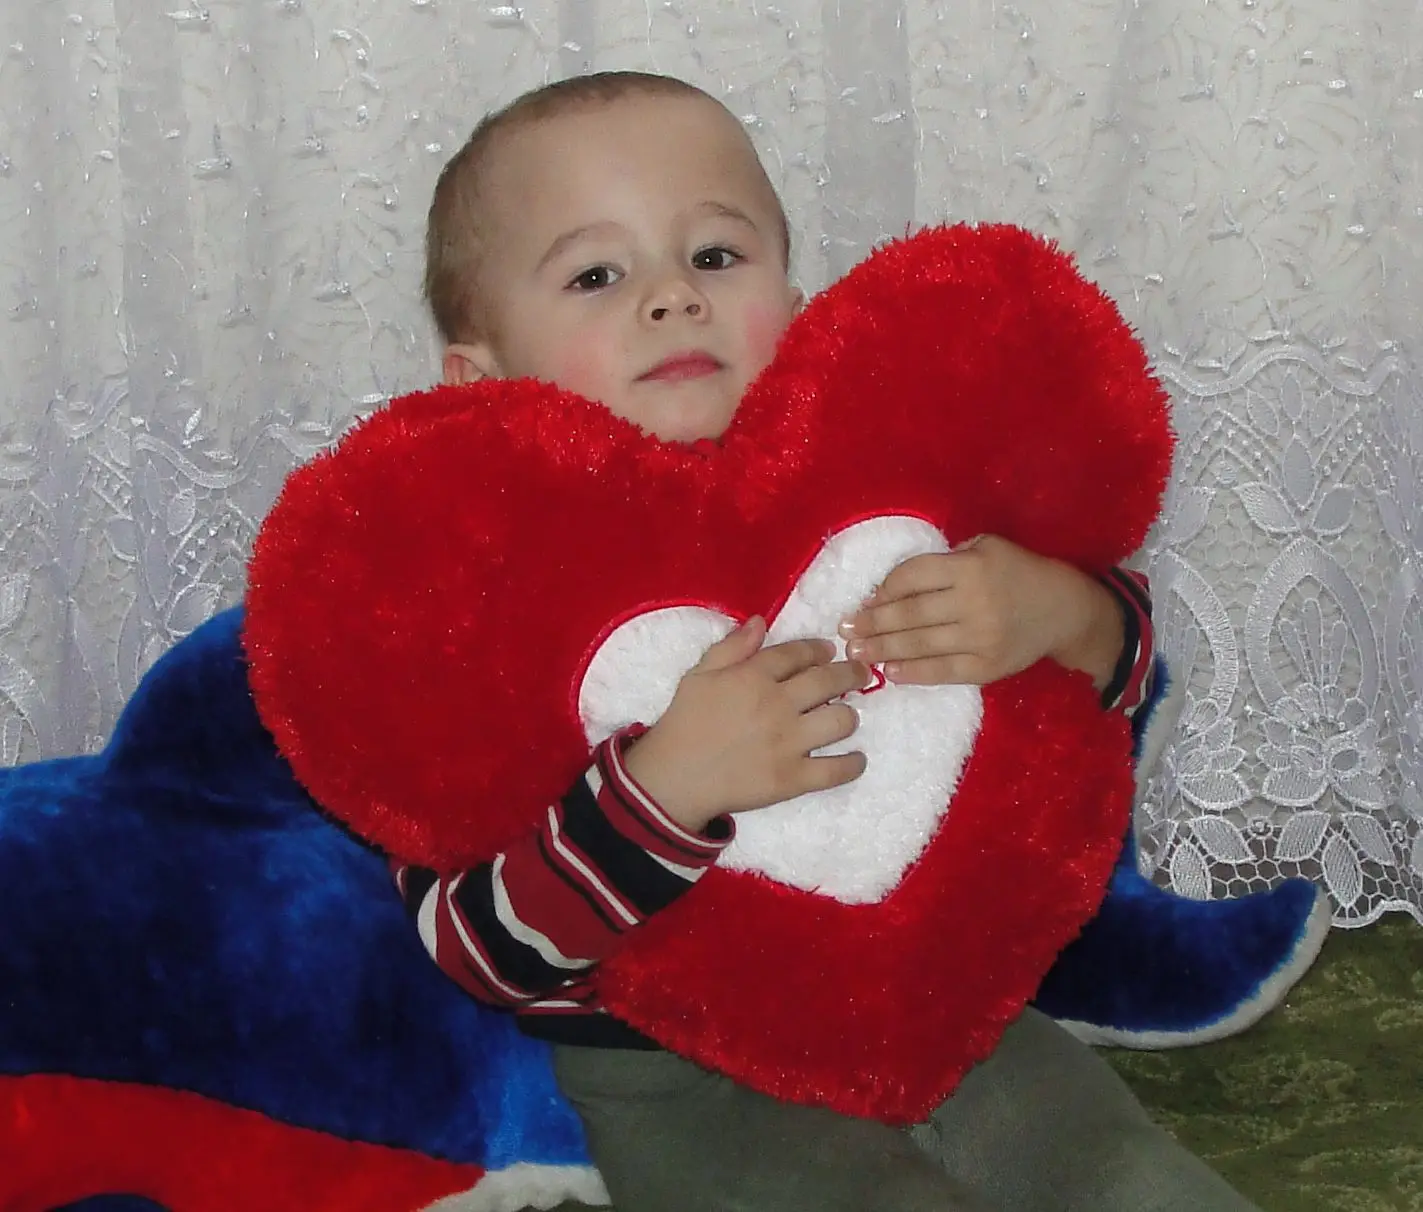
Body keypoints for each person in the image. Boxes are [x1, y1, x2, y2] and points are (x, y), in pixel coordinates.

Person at [398, 70, 1258, 1211]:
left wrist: (1060, 614)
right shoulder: (474, 601)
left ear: (797, 309)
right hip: (682, 1072)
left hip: (951, 1007)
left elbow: (1114, 688)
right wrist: (664, 790)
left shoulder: (877, 490)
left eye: (714, 255)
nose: (673, 297)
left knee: (1133, 1180)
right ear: (481, 381)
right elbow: (469, 946)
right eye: (596, 274)